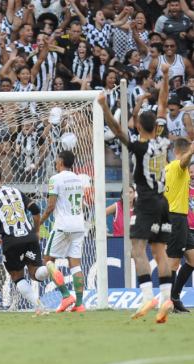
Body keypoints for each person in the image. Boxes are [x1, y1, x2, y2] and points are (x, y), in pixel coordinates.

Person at [97, 61, 174, 323]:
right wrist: (164, 76)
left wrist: (105, 107)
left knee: (137, 249)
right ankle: (166, 299)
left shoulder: (140, 148)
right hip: (164, 201)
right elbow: (162, 104)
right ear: (156, 126)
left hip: (147, 202)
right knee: (160, 251)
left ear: (139, 127)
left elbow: (117, 131)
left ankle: (146, 296)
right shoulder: (163, 141)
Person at [0, 166, 69, 317]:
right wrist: (36, 231)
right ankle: (49, 269)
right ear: (2, 179)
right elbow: (35, 209)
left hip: (11, 240)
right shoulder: (16, 191)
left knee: (18, 277)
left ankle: (40, 307)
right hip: (29, 237)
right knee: (35, 273)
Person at [38, 150, 86, 313]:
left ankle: (66, 296)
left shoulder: (55, 179)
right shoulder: (79, 179)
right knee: (75, 265)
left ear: (59, 161)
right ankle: (79, 304)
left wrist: (39, 222)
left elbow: (51, 206)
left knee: (48, 263)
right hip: (79, 225)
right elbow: (83, 206)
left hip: (63, 226)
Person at [163, 137, 194, 313]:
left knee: (192, 259)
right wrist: (190, 152)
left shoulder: (167, 169)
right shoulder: (177, 166)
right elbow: (184, 162)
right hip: (176, 219)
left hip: (178, 219)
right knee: (173, 263)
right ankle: (171, 302)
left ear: (174, 150)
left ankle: (174, 298)